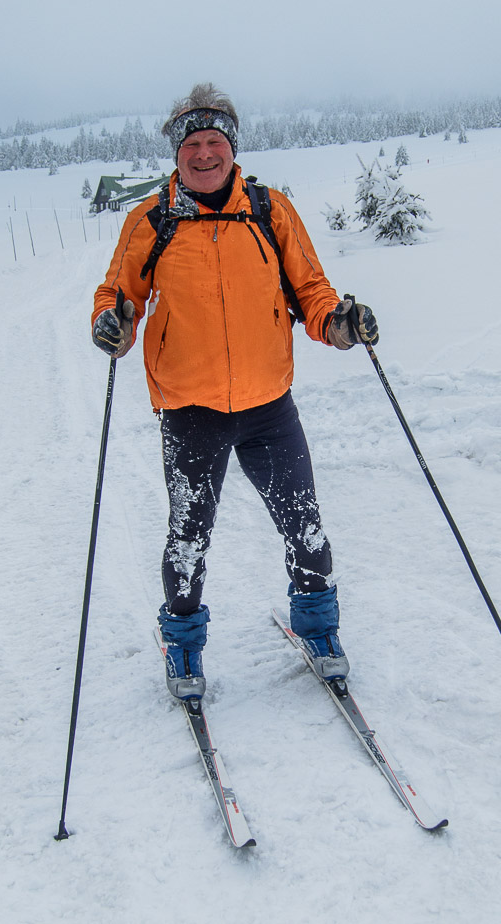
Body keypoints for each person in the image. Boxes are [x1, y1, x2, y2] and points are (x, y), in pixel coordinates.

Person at [92, 83, 378, 702]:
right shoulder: (151, 221)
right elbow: (119, 297)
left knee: (304, 524)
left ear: (231, 147)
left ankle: (319, 630)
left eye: (213, 142)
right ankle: (184, 644)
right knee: (188, 536)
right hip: (190, 408)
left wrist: (342, 324)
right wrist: (112, 326)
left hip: (267, 405)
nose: (203, 154)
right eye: (192, 143)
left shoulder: (271, 212)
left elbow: (313, 294)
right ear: (177, 151)